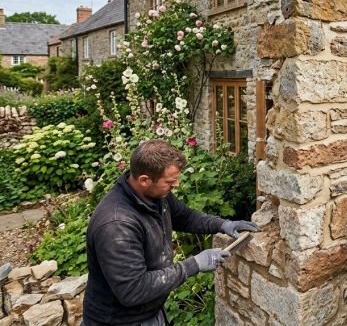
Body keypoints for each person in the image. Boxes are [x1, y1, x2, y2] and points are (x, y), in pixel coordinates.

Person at [83, 139, 259, 325]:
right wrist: (194, 264)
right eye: (170, 181)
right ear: (144, 180)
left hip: (149, 312)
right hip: (120, 321)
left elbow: (185, 217)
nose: (176, 184)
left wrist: (222, 224)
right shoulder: (116, 225)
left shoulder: (154, 194)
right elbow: (133, 289)